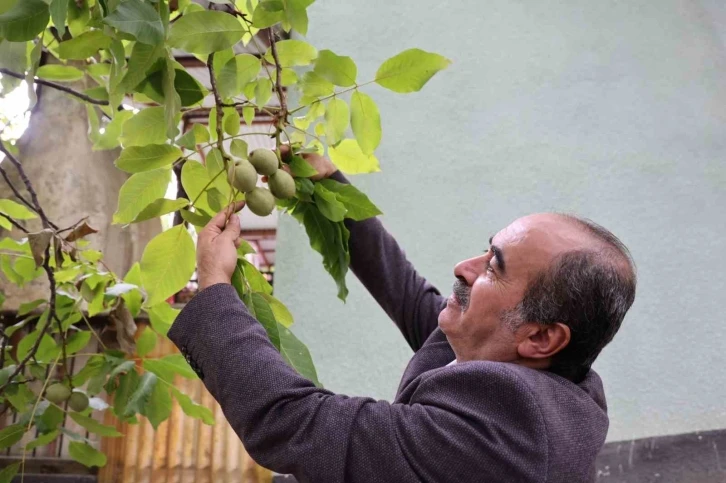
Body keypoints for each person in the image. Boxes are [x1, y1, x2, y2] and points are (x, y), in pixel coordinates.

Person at [168, 151, 637, 483]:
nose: (464, 267)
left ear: (540, 337)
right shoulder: (532, 368)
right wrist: (330, 185)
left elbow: (298, 425)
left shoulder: (505, 435)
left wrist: (214, 288)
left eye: (495, 266)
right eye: (486, 248)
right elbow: (412, 298)